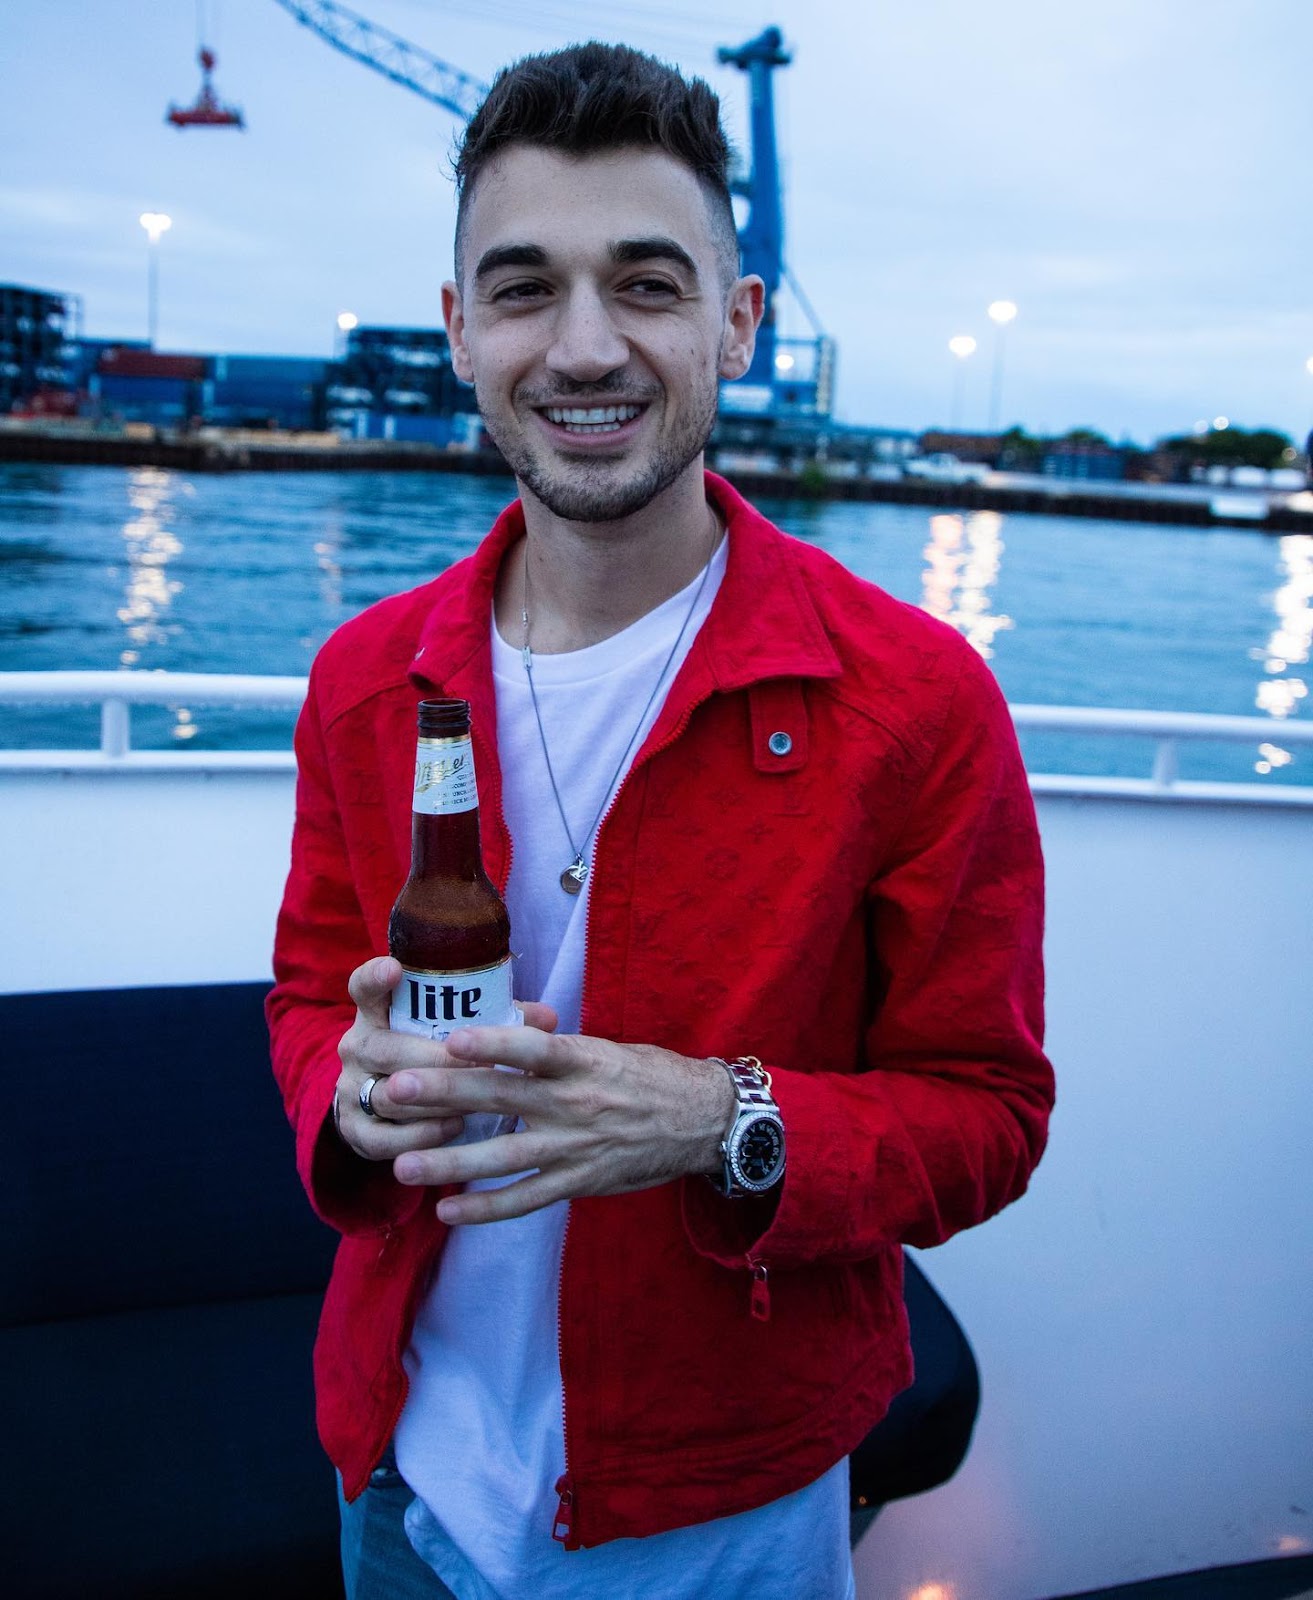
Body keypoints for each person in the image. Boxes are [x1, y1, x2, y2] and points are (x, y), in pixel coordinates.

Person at [267, 40, 1053, 1600]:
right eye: (523, 290)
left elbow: (987, 1114)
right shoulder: (363, 681)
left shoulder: (914, 701)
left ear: (735, 323)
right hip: (401, 1478)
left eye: (643, 284)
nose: (583, 348)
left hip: (726, 1518)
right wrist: (347, 1102)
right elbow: (307, 995)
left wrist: (716, 1120)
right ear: (457, 330)